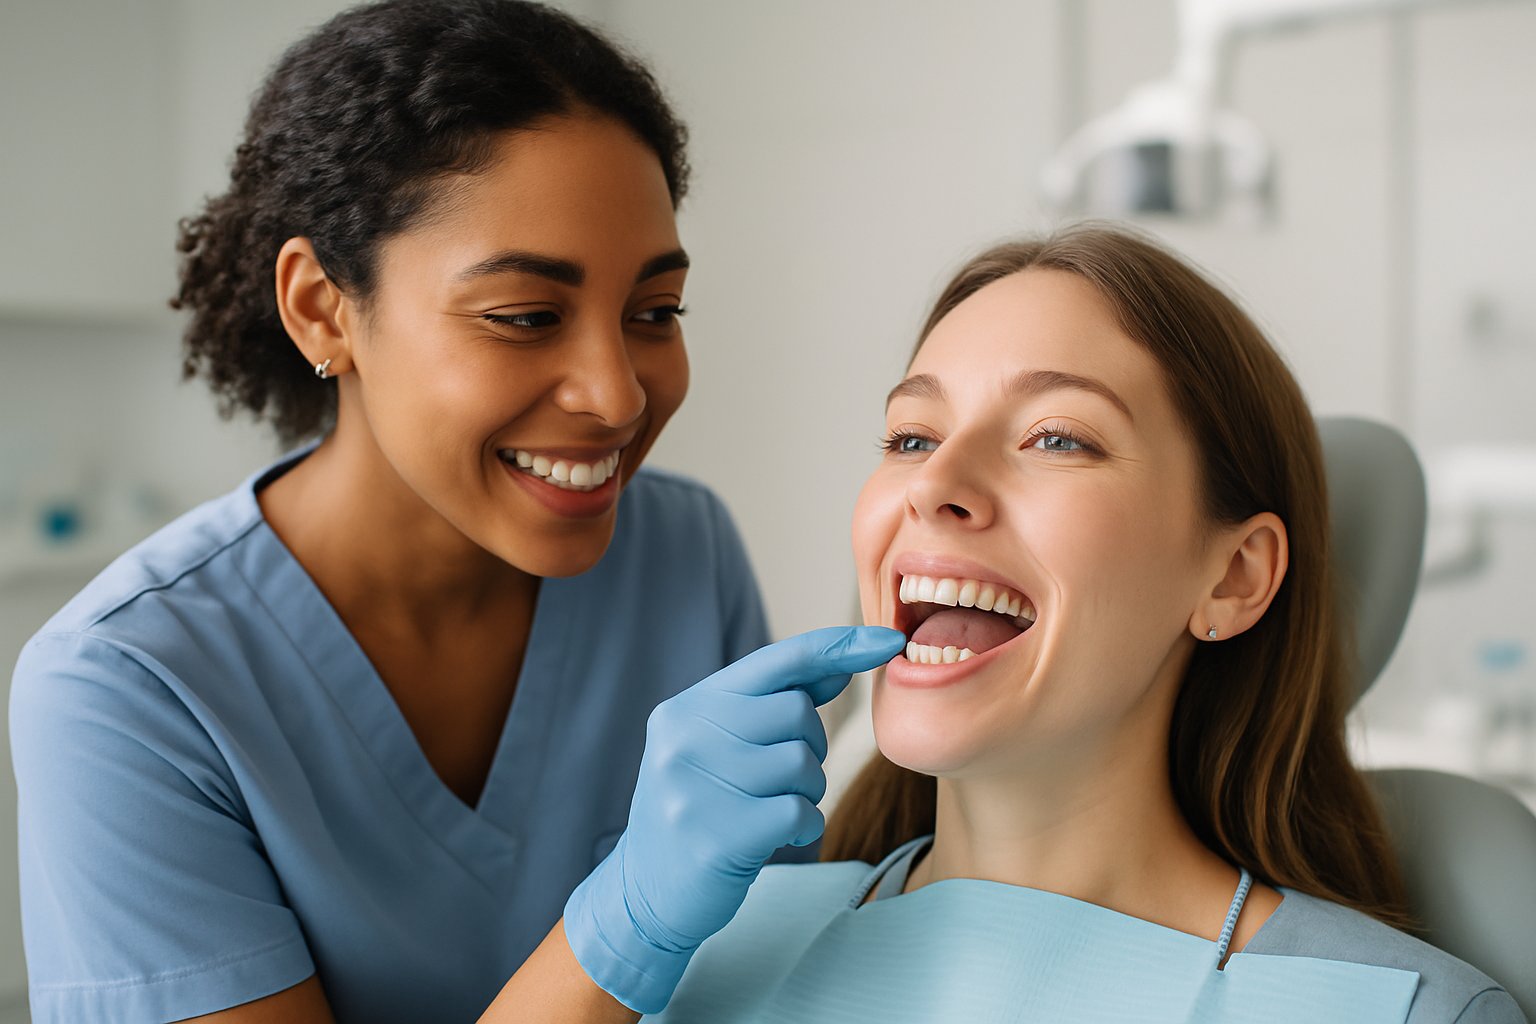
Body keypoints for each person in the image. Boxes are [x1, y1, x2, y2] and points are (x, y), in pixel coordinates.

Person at [8, 3, 901, 1022]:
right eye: (524, 317)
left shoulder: (682, 550)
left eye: (654, 314)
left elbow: (770, 980)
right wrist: (624, 924)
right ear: (320, 308)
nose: (616, 395)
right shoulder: (127, 687)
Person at [647, 225, 1528, 1023]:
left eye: (1057, 438)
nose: (933, 482)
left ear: (1233, 576)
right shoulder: (698, 944)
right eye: (912, 437)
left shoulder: (1405, 1014)